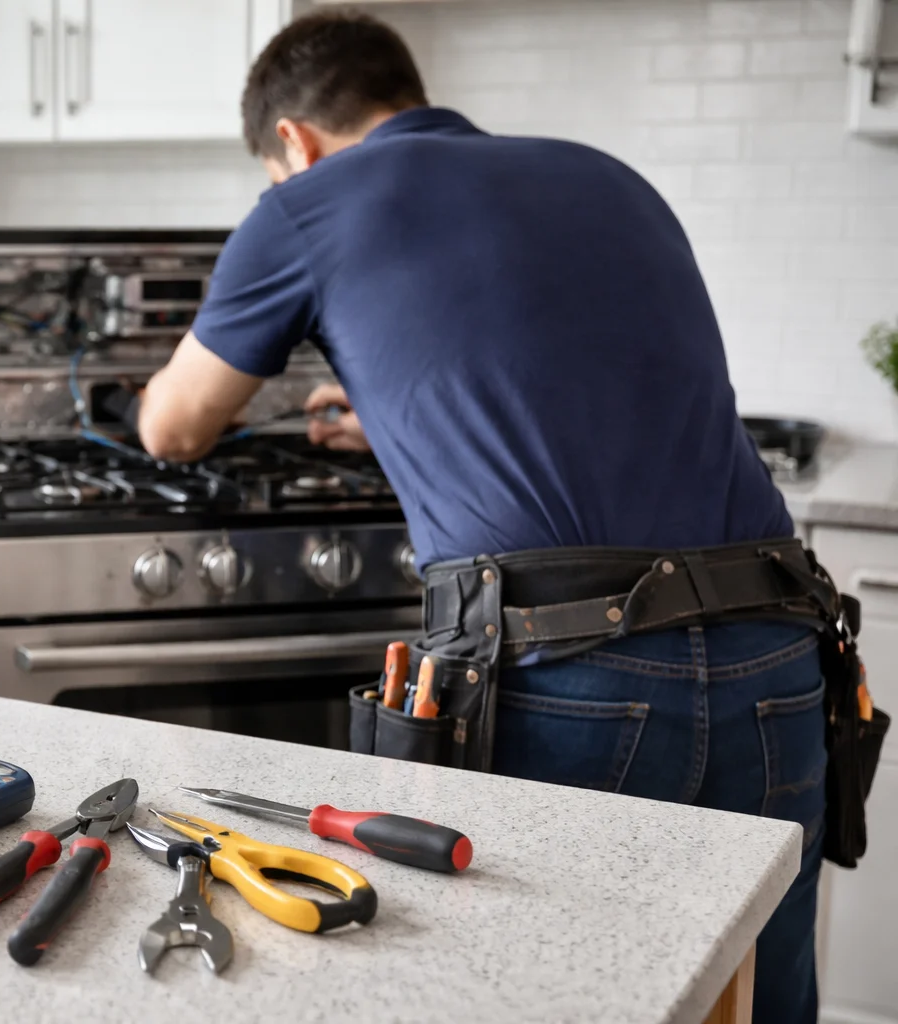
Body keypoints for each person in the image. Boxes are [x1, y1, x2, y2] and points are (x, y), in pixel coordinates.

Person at [131, 11, 824, 1023]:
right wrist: (397, 410)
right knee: (760, 1002)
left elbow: (175, 427)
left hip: (573, 674)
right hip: (779, 653)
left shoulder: (305, 205)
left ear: (292, 141)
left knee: (545, 995)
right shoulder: (608, 176)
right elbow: (584, 378)